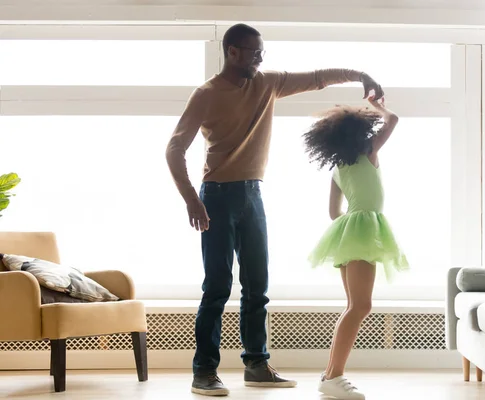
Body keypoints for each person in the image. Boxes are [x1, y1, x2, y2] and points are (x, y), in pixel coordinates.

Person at [165, 23, 385, 397]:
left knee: (257, 286)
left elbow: (316, 78)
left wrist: (359, 75)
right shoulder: (206, 94)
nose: (260, 58)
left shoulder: (267, 83)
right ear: (232, 51)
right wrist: (192, 200)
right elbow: (174, 149)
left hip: (253, 195)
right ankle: (204, 372)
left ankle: (256, 365)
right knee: (217, 286)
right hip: (216, 196)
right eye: (253, 52)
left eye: (262, 52)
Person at [303, 97, 409, 400]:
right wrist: (379, 106)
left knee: (355, 306)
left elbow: (334, 212)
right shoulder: (368, 152)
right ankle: (333, 375)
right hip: (361, 232)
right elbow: (394, 120)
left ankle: (330, 375)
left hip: (347, 232)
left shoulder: (338, 166)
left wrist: (350, 229)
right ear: (360, 134)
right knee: (361, 306)